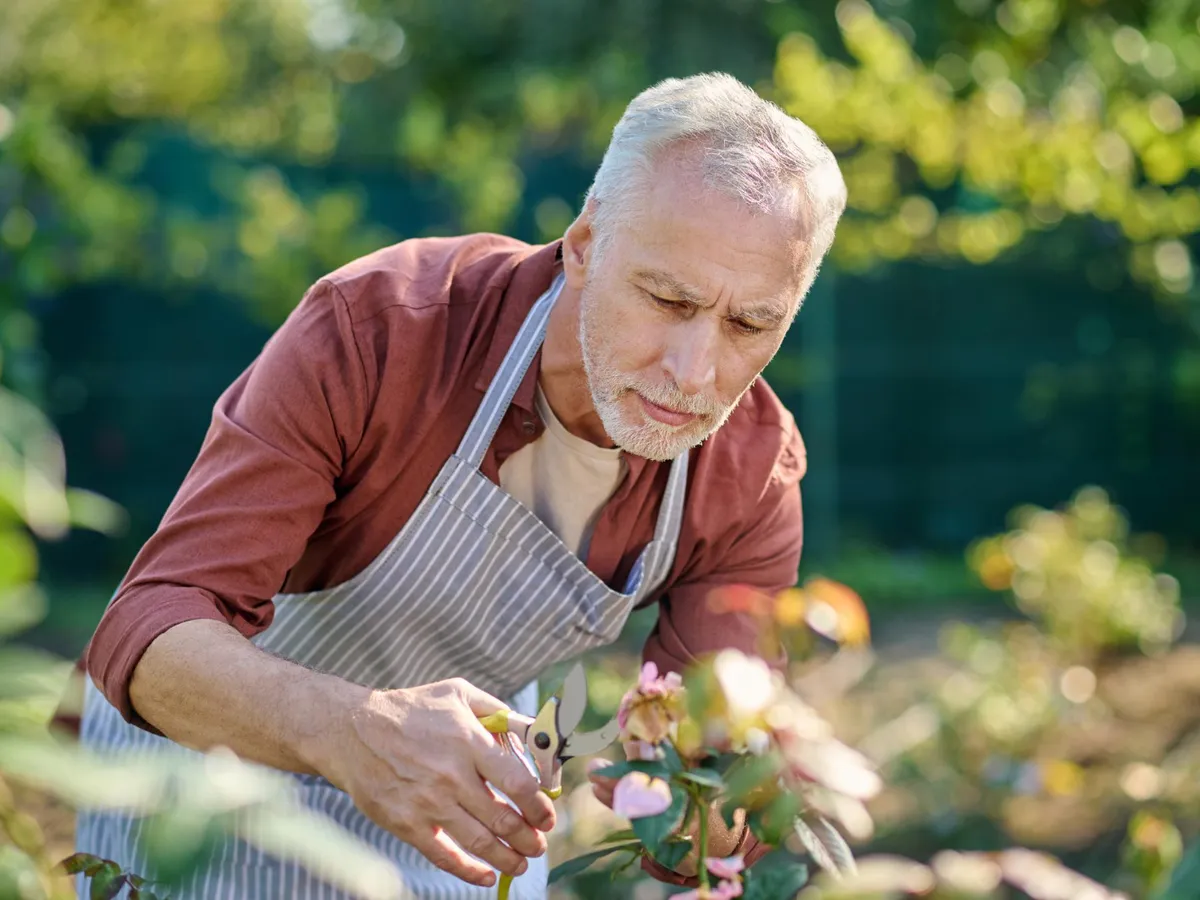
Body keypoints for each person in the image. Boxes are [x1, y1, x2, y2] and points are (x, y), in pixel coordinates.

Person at [70, 71, 847, 898]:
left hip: (463, 815)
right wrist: (352, 731)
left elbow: (706, 770)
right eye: (665, 298)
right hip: (209, 780)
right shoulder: (380, 330)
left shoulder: (751, 473)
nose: (695, 373)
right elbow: (147, 633)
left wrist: (716, 809)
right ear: (584, 247)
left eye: (749, 324)